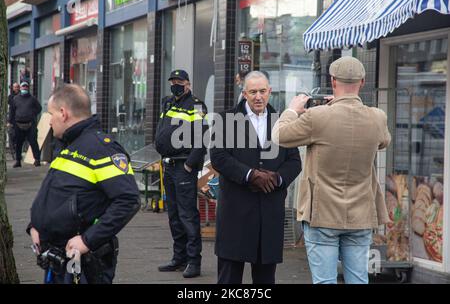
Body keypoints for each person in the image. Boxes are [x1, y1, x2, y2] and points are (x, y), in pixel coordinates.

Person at [272, 56, 391, 284]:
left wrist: (292, 110)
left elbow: (279, 135)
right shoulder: (377, 117)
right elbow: (383, 141)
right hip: (361, 214)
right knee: (358, 279)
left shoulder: (317, 117)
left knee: (324, 281)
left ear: (333, 81)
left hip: (322, 214)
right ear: (362, 82)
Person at [27, 84, 140, 284]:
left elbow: (128, 200)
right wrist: (35, 226)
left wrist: (87, 240)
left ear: (63, 113)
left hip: (82, 262)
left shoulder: (102, 149)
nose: (50, 121)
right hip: (58, 257)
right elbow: (57, 195)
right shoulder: (69, 145)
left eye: (51, 114)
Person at [210, 71, 301, 284]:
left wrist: (277, 178)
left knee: (265, 280)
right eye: (253, 92)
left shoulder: (282, 122)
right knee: (229, 279)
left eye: (262, 91)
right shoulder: (226, 119)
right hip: (235, 213)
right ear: (244, 93)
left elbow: (295, 162)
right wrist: (249, 175)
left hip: (269, 213)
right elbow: (218, 157)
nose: (258, 97)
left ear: (269, 91)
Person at [155, 69, 209, 278]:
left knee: (187, 215)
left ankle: (194, 261)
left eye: (179, 81)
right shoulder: (169, 102)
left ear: (188, 83)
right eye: (173, 81)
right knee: (174, 215)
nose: (175, 84)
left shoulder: (195, 105)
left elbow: (202, 136)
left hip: (182, 166)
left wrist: (190, 164)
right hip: (168, 166)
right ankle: (179, 258)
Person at [9, 81, 42, 168]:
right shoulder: (15, 99)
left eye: (26, 87)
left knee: (33, 143)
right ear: (20, 88)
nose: (24, 88)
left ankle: (37, 160)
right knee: (18, 144)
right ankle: (18, 161)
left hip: (30, 124)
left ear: (28, 88)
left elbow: (39, 108)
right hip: (18, 124)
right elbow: (12, 111)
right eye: (23, 87)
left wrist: (32, 113)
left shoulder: (32, 99)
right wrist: (10, 122)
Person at [7, 83, 20, 159]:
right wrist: (9, 121)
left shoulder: (22, 96)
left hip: (20, 119)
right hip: (12, 119)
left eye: (17, 87)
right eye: (15, 87)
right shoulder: (10, 97)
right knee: (12, 135)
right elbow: (11, 108)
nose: (16, 88)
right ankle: (14, 151)